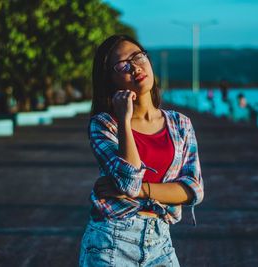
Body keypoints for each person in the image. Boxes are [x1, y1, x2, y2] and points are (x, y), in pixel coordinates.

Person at [79, 35, 204, 266]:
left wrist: (142, 191)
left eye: (138, 57)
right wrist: (124, 120)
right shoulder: (105, 125)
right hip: (112, 242)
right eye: (123, 65)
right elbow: (129, 182)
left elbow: (193, 190)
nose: (135, 67)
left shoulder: (180, 124)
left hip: (161, 242)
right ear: (111, 80)